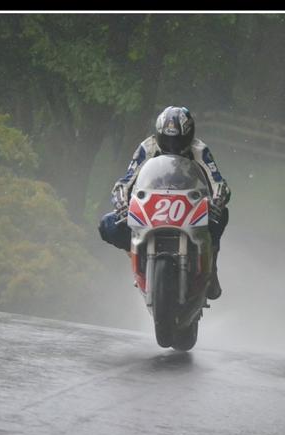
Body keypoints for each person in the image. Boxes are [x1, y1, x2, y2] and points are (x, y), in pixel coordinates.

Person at [98, 106, 231, 300]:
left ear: (189, 135)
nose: (172, 145)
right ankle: (135, 257)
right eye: (167, 139)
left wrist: (218, 201)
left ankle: (211, 270)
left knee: (221, 217)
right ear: (159, 134)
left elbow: (216, 180)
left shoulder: (199, 149)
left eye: (177, 140)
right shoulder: (147, 147)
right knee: (108, 225)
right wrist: (121, 203)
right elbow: (127, 179)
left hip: (188, 204)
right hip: (152, 204)